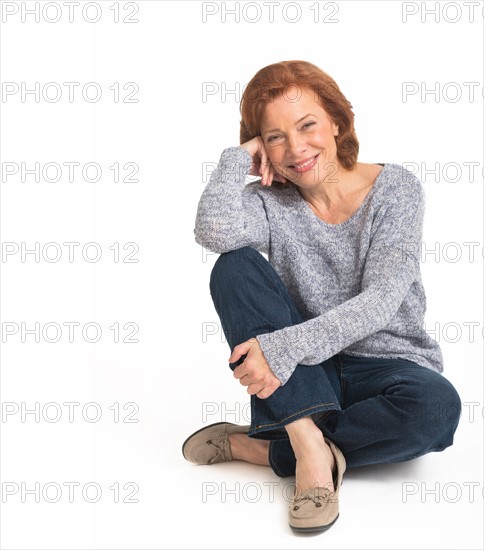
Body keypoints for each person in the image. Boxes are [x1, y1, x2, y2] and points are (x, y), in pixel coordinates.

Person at [182, 60, 462, 534]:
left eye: (307, 125)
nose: (296, 148)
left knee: (436, 409)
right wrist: (237, 159)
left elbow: (382, 300)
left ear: (336, 121)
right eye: (275, 136)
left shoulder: (396, 189)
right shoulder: (270, 200)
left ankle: (265, 446)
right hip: (308, 371)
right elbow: (213, 230)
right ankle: (308, 448)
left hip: (383, 362)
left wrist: (282, 348)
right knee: (233, 266)